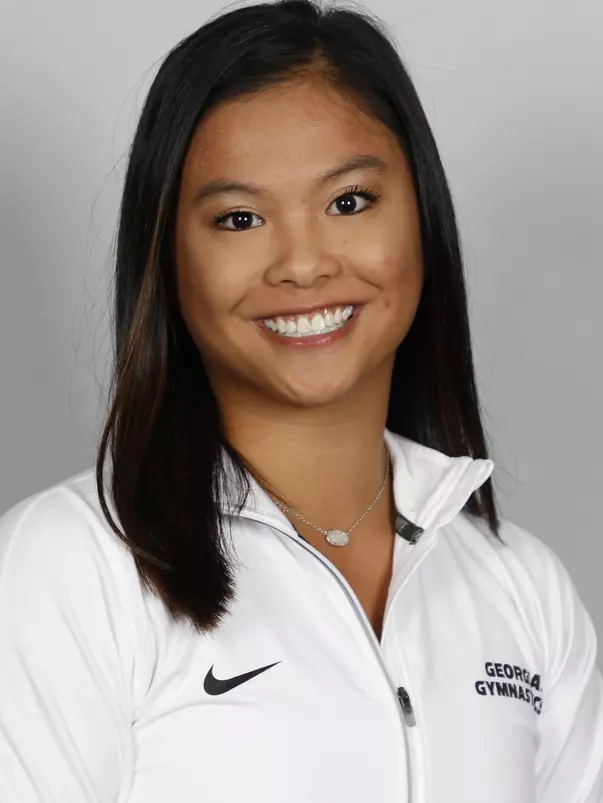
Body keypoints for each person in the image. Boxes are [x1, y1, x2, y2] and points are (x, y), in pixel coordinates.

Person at [1, 0, 602, 800]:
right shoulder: (71, 565)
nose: (303, 263)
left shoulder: (523, 589)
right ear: (167, 257)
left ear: (421, 216)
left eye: (348, 202)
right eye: (239, 218)